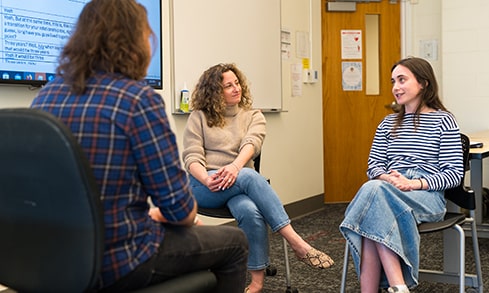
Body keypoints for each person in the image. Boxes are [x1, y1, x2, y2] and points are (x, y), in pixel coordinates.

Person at [30, 1, 248, 292]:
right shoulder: (137, 100)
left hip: (56, 255)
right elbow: (181, 212)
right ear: (136, 42)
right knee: (235, 242)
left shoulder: (45, 97)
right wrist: (156, 215)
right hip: (119, 259)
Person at [182, 63, 334, 293]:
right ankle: (297, 243)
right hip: (204, 186)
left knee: (249, 210)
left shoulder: (254, 116)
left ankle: (256, 282)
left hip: (238, 182)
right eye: (228, 86)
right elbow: (192, 156)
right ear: (214, 92)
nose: (236, 88)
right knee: (249, 176)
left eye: (237, 83)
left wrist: (234, 167)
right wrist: (206, 179)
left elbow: (251, 144)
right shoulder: (198, 117)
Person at [339, 57, 464, 293]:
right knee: (375, 203)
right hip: (389, 189)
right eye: (393, 81)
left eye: (402, 80)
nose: (396, 87)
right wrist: (389, 179)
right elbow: (374, 167)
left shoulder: (444, 121)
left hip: (426, 195)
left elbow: (453, 174)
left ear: (423, 83)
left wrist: (413, 183)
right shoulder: (387, 123)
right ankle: (398, 287)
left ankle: (392, 285)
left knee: (372, 198)